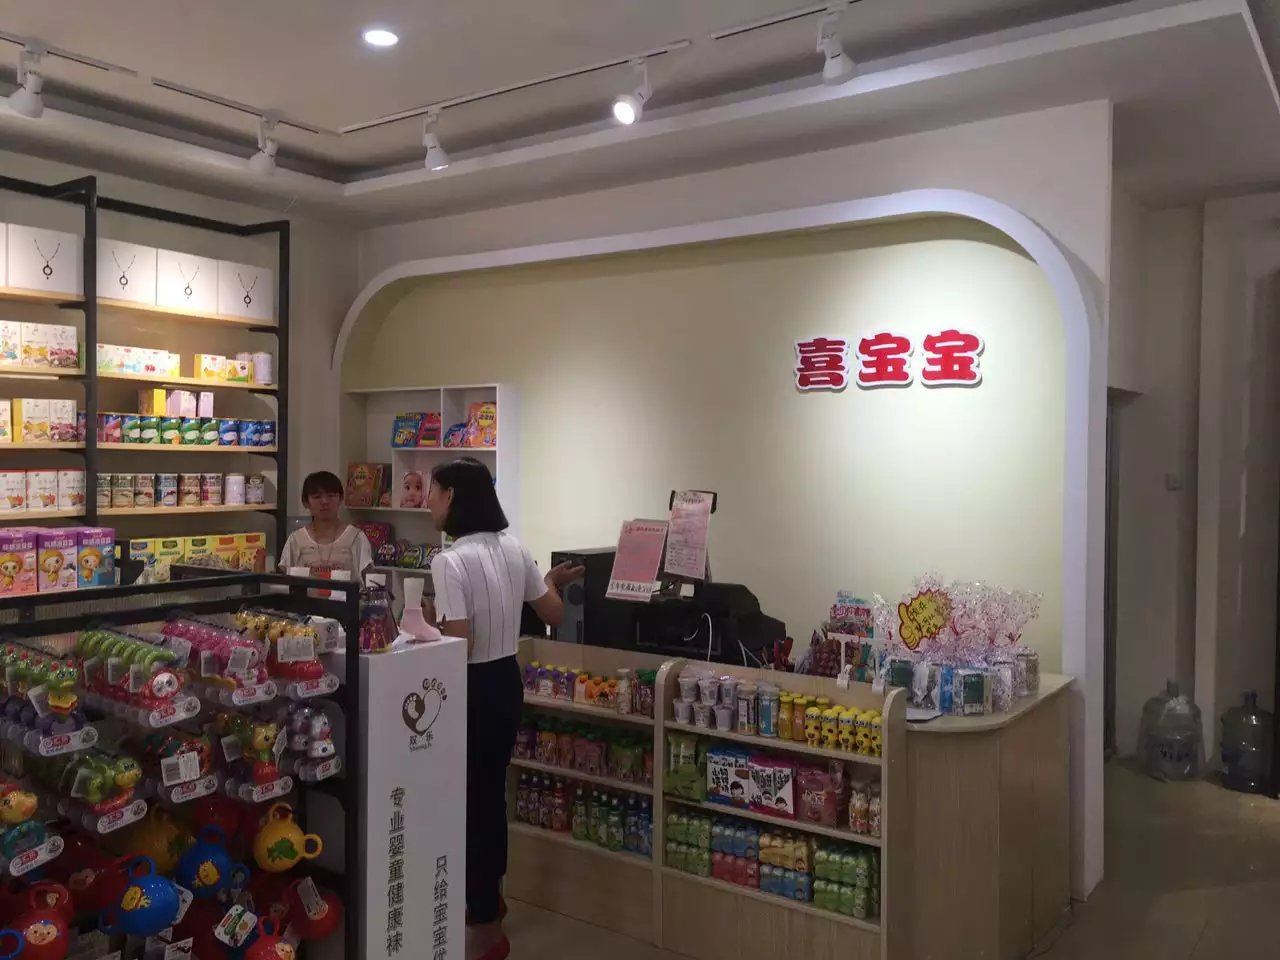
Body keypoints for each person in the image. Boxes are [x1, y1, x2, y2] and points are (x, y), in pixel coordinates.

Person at [427, 457, 582, 960]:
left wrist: (423, 627)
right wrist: (546, 580)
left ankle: (482, 924)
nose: (427, 502)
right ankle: (488, 905)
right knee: (489, 797)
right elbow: (553, 611)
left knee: (468, 804)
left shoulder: (449, 561)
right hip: (505, 682)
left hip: (470, 686)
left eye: (432, 491)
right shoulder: (514, 547)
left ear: (452, 496)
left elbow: (457, 644)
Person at [278, 471, 374, 578]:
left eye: (331, 496)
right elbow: (285, 579)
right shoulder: (296, 540)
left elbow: (368, 581)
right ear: (306, 502)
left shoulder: (356, 538)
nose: (324, 501)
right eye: (317, 497)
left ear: (340, 499)